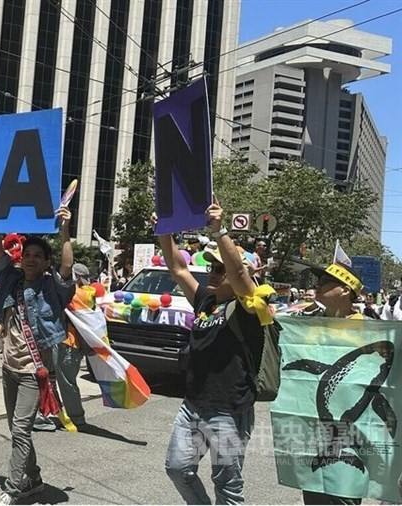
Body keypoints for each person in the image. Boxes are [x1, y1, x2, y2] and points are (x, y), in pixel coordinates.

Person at [159, 202, 272, 505]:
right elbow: (177, 267)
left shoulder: (251, 308)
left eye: (221, 268)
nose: (214, 272)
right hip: (193, 405)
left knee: (228, 487)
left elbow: (237, 270)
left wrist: (219, 230)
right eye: (212, 267)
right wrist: (164, 229)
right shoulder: (205, 299)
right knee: (177, 468)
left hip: (229, 411)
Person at [0, 203, 75, 505]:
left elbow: (66, 268)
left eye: (38, 256)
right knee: (16, 428)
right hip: (8, 367)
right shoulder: (11, 279)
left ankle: (13, 489)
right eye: (28, 254)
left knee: (21, 429)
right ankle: (34, 479)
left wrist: (64, 230)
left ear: (46, 262)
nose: (31, 259)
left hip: (33, 373)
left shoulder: (53, 288)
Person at [290, 262, 372, 505]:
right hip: (312, 429)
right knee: (314, 494)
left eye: (325, 282)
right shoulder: (307, 323)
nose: (317, 287)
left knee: (343, 496)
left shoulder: (368, 329)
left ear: (346, 290)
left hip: (353, 432)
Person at [55, 263, 92, 432]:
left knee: (66, 383)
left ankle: (77, 417)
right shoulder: (89, 293)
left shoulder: (77, 294)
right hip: (73, 345)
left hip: (67, 343)